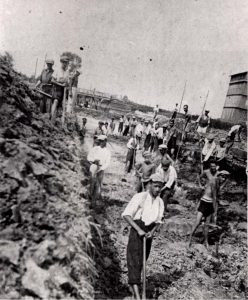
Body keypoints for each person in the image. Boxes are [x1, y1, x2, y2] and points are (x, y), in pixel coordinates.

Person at [122, 174, 164, 300]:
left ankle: (133, 287)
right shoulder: (140, 197)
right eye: (156, 186)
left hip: (148, 233)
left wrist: (153, 231)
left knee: (141, 263)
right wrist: (139, 230)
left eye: (160, 187)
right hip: (137, 230)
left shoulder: (160, 201)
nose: (157, 189)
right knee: (134, 261)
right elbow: (126, 215)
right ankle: (139, 296)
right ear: (150, 184)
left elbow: (159, 220)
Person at [188, 169, 229, 249]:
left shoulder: (218, 182)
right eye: (223, 177)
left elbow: (218, 191)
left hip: (210, 203)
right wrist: (215, 211)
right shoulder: (214, 181)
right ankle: (190, 239)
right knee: (197, 222)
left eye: (225, 177)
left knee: (207, 224)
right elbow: (214, 196)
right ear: (219, 176)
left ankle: (206, 241)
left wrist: (225, 182)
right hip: (205, 202)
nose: (223, 179)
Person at [87, 135, 111, 204]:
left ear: (105, 141)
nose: (100, 142)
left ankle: (94, 200)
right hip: (94, 166)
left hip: (101, 168)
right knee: (92, 182)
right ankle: (89, 196)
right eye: (99, 141)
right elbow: (89, 157)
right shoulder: (95, 148)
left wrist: (101, 169)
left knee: (98, 184)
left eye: (102, 141)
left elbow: (107, 162)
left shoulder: (107, 151)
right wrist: (93, 160)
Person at [50, 55, 70, 123]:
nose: (66, 64)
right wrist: (60, 84)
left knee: (60, 107)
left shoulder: (67, 72)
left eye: (67, 63)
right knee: (55, 101)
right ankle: (51, 119)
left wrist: (66, 85)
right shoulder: (57, 70)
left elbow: (67, 82)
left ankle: (57, 122)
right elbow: (52, 80)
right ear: (62, 62)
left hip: (63, 91)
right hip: (56, 89)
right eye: (64, 62)